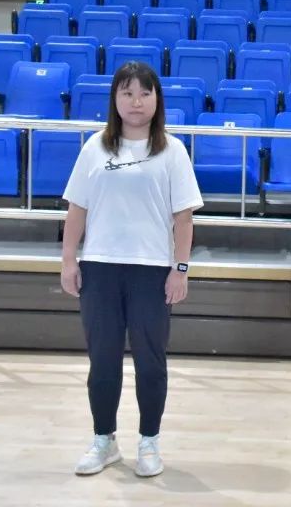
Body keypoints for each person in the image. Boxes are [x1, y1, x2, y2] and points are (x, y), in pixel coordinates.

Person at [60, 61, 203, 478]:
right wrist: (69, 260)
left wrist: (180, 269)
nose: (136, 102)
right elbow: (77, 209)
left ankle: (149, 441)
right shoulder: (95, 147)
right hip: (100, 267)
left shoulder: (172, 151)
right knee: (102, 359)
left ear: (157, 99)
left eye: (144, 93)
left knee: (150, 360)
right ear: (115, 99)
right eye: (127, 93)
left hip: (152, 270)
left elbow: (184, 218)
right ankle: (104, 440)